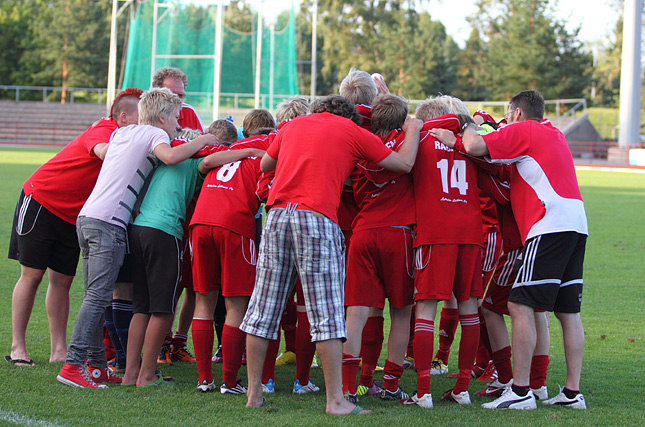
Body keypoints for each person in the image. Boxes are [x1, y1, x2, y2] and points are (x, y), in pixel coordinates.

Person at [240, 95, 422, 415]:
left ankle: (254, 393)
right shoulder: (351, 130)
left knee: (262, 309)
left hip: (278, 216)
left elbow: (266, 164)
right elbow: (403, 164)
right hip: (317, 217)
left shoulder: (293, 124)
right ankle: (336, 401)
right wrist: (414, 129)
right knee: (326, 314)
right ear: (350, 117)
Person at [430, 89, 588, 410]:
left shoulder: (524, 130)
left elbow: (474, 145)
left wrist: (468, 126)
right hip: (576, 222)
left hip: (548, 222)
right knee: (566, 312)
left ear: (515, 113)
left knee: (518, 305)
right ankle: (571, 393)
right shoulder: (553, 133)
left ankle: (520, 389)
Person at [56, 87, 215, 388]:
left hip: (88, 217)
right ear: (162, 117)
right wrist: (202, 141)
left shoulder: (121, 133)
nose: (177, 126)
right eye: (175, 120)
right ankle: (74, 364)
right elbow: (169, 157)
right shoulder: (155, 135)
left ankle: (98, 366)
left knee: (95, 296)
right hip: (110, 222)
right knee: (98, 296)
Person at [7, 88, 142, 366]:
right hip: (42, 200)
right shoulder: (105, 128)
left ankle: (59, 350)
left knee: (62, 281)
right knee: (31, 276)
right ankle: (17, 346)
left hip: (74, 216)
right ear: (125, 117)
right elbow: (104, 152)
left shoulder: (129, 135)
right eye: (144, 117)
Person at [121, 128, 260, 388]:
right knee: (163, 309)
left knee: (141, 307)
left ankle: (131, 375)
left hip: (138, 227)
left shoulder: (167, 156)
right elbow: (209, 161)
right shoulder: (196, 159)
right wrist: (249, 150)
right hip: (165, 230)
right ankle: (148, 375)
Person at [190, 110, 274, 394]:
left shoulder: (231, 148)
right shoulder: (271, 147)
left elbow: (204, 164)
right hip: (235, 223)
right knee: (235, 305)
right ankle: (229, 381)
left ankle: (204, 379)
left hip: (201, 221)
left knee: (204, 300)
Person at [342, 94, 415, 403]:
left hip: (362, 232)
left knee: (357, 313)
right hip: (398, 232)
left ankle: (349, 386)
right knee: (401, 312)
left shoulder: (360, 147)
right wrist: (414, 127)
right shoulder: (409, 142)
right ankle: (391, 385)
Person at [152, 67, 204, 133]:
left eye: (180, 96)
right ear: (156, 93)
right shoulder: (142, 113)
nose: (176, 99)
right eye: (171, 94)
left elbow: (203, 141)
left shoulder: (189, 112)